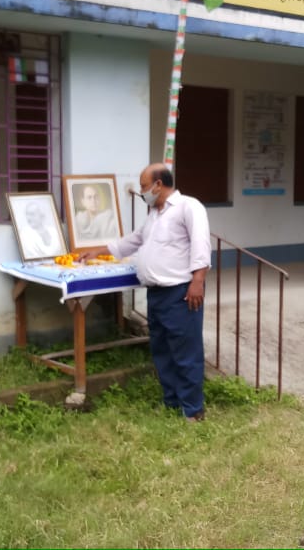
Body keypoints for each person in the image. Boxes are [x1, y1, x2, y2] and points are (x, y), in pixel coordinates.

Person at [80, 163, 211, 422]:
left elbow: (201, 244)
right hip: (156, 294)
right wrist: (98, 251)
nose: (142, 192)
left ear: (158, 185)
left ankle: (192, 410)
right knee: (162, 351)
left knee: (186, 352)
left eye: (144, 186)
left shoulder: (188, 207)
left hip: (181, 293)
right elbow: (134, 240)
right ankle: (171, 402)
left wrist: (198, 281)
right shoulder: (154, 214)